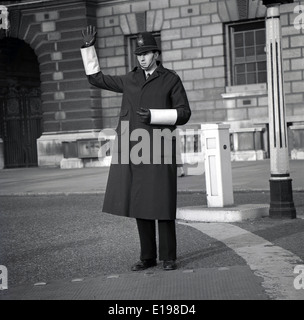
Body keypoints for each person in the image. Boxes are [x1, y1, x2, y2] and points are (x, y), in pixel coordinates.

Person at [81, 25, 191, 271]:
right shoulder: (129, 79)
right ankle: (148, 256)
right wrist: (88, 49)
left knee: (162, 203)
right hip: (135, 148)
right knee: (141, 203)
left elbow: (184, 114)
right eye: (138, 54)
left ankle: (169, 257)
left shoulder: (171, 79)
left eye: (146, 53)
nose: (142, 57)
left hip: (160, 146)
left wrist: (154, 115)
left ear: (156, 54)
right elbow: (96, 79)